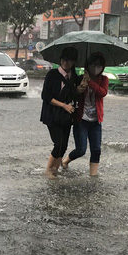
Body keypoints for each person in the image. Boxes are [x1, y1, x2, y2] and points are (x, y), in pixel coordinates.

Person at [61, 52, 109, 177]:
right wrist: (79, 89)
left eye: (99, 65)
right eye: (93, 65)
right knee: (81, 149)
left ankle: (93, 176)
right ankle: (65, 161)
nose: (96, 68)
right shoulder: (79, 78)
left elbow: (102, 92)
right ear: (88, 65)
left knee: (96, 149)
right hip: (81, 119)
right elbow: (71, 94)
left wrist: (91, 82)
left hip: (95, 120)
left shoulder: (104, 79)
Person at [40, 47, 79, 178]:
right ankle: (49, 170)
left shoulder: (74, 77)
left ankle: (55, 170)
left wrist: (80, 87)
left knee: (64, 146)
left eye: (69, 60)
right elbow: (45, 96)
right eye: (63, 59)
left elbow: (74, 96)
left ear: (74, 62)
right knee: (58, 143)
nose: (65, 62)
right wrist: (63, 106)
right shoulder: (52, 75)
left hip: (66, 118)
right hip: (52, 115)